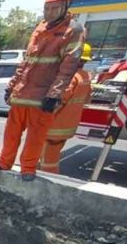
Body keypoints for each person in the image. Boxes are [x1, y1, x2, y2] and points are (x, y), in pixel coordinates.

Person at [0, 0, 85, 181]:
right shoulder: (41, 28)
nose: (49, 12)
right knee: (11, 132)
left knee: (36, 135)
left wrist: (54, 95)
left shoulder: (73, 30)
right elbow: (27, 61)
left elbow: (67, 67)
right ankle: (4, 162)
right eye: (47, 7)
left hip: (42, 95)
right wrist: (12, 87)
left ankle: (27, 168)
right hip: (23, 92)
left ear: (66, 6)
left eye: (54, 8)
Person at [39, 43, 93, 174]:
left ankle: (48, 179)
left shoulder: (70, 78)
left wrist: (41, 117)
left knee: (48, 159)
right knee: (52, 153)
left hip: (55, 126)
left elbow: (58, 101)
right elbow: (87, 98)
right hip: (68, 126)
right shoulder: (86, 76)